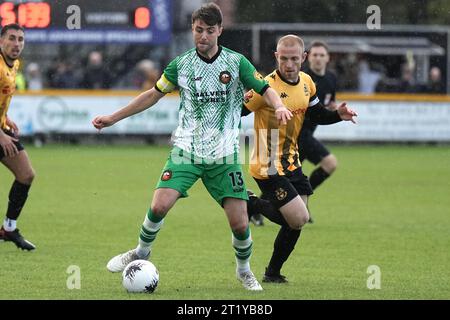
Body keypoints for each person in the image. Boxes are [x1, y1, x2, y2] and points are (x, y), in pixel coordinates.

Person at [92, 3, 292, 291]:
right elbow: (152, 95)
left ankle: (244, 271)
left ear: (220, 31)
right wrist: (113, 117)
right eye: (199, 30)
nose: (204, 36)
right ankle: (140, 252)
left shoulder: (237, 63)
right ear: (192, 30)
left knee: (239, 223)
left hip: (224, 155)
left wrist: (280, 104)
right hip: (187, 151)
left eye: (210, 31)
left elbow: (265, 89)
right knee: (159, 204)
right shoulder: (181, 64)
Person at [242, 35, 356, 283]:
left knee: (296, 222)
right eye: (284, 59)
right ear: (276, 57)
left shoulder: (307, 83)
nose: (289, 64)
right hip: (267, 163)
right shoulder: (264, 87)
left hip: (291, 161)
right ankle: (250, 203)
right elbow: (236, 111)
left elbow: (316, 114)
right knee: (299, 217)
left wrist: (338, 115)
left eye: (294, 59)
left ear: (303, 58)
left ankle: (272, 273)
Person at [0, 24, 36, 251]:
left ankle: (9, 229)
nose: (16, 44)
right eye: (12, 38)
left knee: (26, 175)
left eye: (20, 39)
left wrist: (6, 118)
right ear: (1, 40)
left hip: (3, 128)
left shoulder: (14, 65)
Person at [298, 40, 338, 223]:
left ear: (328, 58)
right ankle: (301, 200)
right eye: (315, 55)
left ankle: (255, 209)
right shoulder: (302, 78)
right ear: (308, 57)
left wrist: (332, 109)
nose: (318, 58)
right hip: (297, 134)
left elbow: (328, 104)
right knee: (330, 163)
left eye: (322, 55)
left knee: (284, 178)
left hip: (308, 134)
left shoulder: (331, 79)